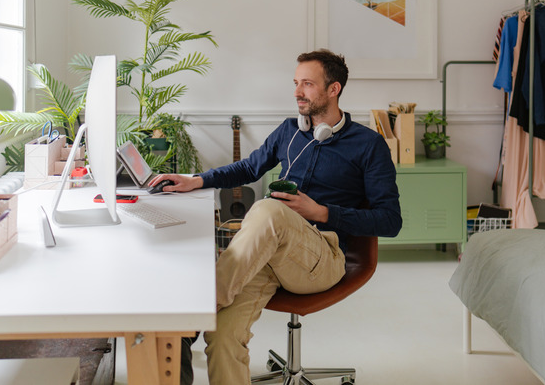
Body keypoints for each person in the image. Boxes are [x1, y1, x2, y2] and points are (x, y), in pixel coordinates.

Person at [149, 48, 402, 385]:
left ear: (333, 89)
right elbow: (250, 167)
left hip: (322, 259)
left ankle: (196, 310)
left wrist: (321, 212)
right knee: (223, 338)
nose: (297, 92)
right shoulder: (289, 130)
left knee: (269, 208)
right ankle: (203, 314)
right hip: (268, 253)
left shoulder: (369, 145)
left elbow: (390, 221)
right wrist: (196, 180)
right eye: (296, 83)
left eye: (308, 84)